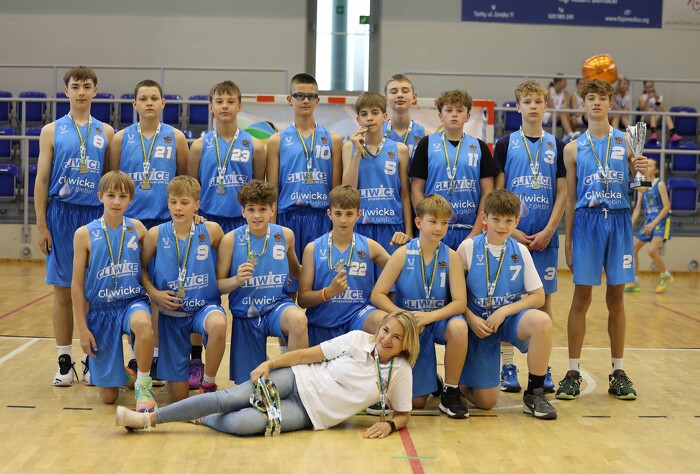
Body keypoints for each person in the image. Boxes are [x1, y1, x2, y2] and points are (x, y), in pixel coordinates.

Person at [116, 311, 419, 438]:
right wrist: (270, 364)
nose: (386, 339)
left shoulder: (401, 372)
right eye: (385, 330)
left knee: (244, 424)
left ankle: (200, 417)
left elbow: (404, 414)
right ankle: (148, 419)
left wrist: (390, 425)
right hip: (297, 378)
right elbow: (306, 355)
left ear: (406, 344)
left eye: (396, 337)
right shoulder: (357, 339)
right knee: (230, 398)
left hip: (310, 413)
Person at [557, 79, 648, 402]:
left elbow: (641, 184)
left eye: (602, 98)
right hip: (586, 222)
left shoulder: (627, 141)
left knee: (616, 298)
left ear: (611, 104)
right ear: (582, 104)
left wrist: (644, 172)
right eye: (591, 97)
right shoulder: (572, 148)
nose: (596, 102)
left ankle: (618, 371)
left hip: (619, 221)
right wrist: (568, 240)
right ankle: (572, 371)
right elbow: (570, 198)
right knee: (581, 297)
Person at [34, 65, 114, 386]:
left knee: (94, 293)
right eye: (76, 86)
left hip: (94, 216)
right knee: (64, 292)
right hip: (61, 215)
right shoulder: (51, 130)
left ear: (96, 91)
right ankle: (64, 362)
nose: (81, 91)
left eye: (87, 86)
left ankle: (92, 360)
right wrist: (41, 224)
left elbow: (110, 181)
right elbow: (41, 180)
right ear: (66, 91)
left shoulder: (107, 132)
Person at [109, 79, 190, 388]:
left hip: (164, 224)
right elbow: (113, 181)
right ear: (134, 104)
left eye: (154, 98)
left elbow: (184, 182)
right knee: (131, 290)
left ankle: (155, 357)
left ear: (163, 103)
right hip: (129, 223)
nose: (149, 103)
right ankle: (133, 357)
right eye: (143, 98)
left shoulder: (176, 137)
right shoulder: (120, 139)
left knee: (159, 291)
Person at [456, 189, 557, 419]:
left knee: (542, 321)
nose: (502, 226)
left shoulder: (520, 250)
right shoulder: (468, 247)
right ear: (484, 218)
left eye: (508, 221)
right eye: (496, 219)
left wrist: (504, 311)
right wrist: (470, 318)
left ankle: (535, 394)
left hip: (507, 319)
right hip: (478, 323)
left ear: (517, 221)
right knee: (487, 402)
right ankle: (460, 384)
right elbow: (454, 296)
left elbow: (538, 296)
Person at [494, 80, 567, 394]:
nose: (533, 106)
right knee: (508, 299)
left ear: (546, 106)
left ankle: (542, 367)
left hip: (545, 237)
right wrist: (511, 230)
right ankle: (507, 366)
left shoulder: (558, 145)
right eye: (527, 101)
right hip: (513, 237)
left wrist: (550, 229)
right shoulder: (504, 144)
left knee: (543, 302)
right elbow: (498, 193)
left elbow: (563, 192)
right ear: (518, 107)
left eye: (538, 101)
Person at [371, 194, 469, 419]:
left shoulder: (451, 256)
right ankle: (430, 379)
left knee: (459, 327)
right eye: (433, 221)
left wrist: (430, 317)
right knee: (416, 403)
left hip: (436, 320)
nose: (439, 228)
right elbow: (377, 294)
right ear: (418, 222)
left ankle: (450, 391)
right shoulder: (402, 254)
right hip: (411, 324)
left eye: (444, 223)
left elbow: (460, 303)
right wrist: (404, 316)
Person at [71, 171, 156, 412]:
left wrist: (196, 219)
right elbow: (76, 285)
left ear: (130, 200)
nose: (116, 201)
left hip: (131, 302)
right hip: (101, 310)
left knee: (143, 323)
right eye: (111, 195)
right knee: (108, 398)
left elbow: (166, 236)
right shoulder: (84, 234)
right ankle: (124, 375)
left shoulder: (137, 228)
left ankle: (143, 384)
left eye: (122, 196)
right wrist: (82, 329)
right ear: (100, 196)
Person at [140, 176, 227, 401]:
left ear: (197, 205)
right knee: (178, 398)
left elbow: (227, 258)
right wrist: (154, 293)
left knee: (218, 324)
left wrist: (223, 281)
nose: (178, 207)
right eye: (173, 202)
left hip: (203, 308)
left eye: (184, 202)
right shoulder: (155, 234)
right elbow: (140, 269)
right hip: (171, 315)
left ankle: (208, 382)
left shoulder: (212, 230)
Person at [216, 180, 308, 383]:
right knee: (249, 387)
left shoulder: (285, 235)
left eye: (263, 209)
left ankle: (296, 384)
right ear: (243, 212)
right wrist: (236, 280)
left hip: (277, 307)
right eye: (251, 209)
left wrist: (323, 283)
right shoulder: (230, 240)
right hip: (245, 315)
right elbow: (219, 285)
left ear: (272, 210)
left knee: (299, 320)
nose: (257, 215)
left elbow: (297, 271)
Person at [297, 185, 409, 346]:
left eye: (349, 214)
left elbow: (404, 271)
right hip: (322, 322)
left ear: (358, 214)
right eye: (338, 213)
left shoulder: (370, 246)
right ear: (329, 214)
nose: (343, 220)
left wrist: (407, 247)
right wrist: (328, 292)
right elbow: (302, 300)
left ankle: (382, 362)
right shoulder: (312, 249)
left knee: (388, 323)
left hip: (358, 317)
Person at [265, 73, 343, 288]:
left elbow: (336, 189)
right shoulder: (276, 140)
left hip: (321, 217)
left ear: (318, 100)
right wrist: (272, 228)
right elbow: (272, 189)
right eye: (299, 95)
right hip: (287, 216)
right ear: (290, 99)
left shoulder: (334, 139)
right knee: (286, 282)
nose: (305, 100)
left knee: (319, 281)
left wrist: (334, 224)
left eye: (311, 96)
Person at [409, 89, 496, 250]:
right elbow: (416, 189)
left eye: (460, 110)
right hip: (433, 230)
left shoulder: (480, 147)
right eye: (449, 110)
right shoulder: (426, 144)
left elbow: (487, 193)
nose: (454, 114)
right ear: (440, 116)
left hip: (469, 229)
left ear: (468, 116)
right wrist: (427, 224)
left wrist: (475, 233)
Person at [188, 80, 266, 233]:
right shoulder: (198, 146)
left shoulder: (255, 146)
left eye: (230, 101)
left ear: (239, 106)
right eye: (219, 101)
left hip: (242, 221)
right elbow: (192, 189)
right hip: (206, 219)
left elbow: (257, 188)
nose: (225, 106)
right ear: (211, 107)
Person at [342, 91, 412, 253]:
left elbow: (405, 194)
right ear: (358, 120)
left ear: (385, 116)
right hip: (359, 225)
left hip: (392, 226)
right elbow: (347, 191)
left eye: (375, 113)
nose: (369, 118)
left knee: (390, 269)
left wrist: (408, 232)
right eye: (364, 114)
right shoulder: (348, 148)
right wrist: (357, 152)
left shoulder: (400, 149)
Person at [625, 159, 673, 294]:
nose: (646, 167)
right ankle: (634, 280)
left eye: (650, 165)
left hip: (661, 221)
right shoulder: (642, 184)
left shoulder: (660, 184)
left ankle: (666, 276)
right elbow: (637, 209)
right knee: (633, 249)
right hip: (648, 221)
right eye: (646, 165)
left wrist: (654, 223)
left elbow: (667, 207)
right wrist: (629, 225)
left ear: (656, 170)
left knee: (652, 251)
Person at [383, 74, 427, 167]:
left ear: (414, 97)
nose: (400, 95)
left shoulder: (427, 136)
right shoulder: (375, 134)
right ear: (385, 98)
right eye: (394, 92)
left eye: (405, 91)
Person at [544, 74, 579, 142]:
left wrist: (568, 116)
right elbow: (550, 106)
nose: (566, 84)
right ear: (558, 82)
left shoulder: (566, 93)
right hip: (549, 114)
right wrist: (560, 112)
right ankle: (571, 134)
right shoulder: (548, 91)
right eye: (565, 81)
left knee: (574, 121)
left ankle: (566, 137)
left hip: (562, 115)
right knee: (562, 113)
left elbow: (565, 108)